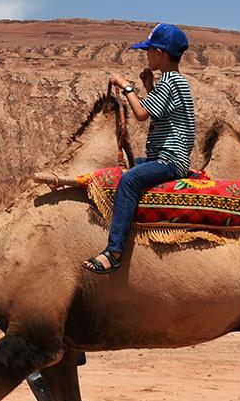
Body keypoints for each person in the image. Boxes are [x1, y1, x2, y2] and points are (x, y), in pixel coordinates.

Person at [82, 23, 196, 272]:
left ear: (159, 53)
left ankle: (113, 252)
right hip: (171, 157)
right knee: (133, 168)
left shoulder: (170, 82)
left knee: (129, 182)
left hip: (168, 160)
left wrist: (127, 88)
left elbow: (142, 113)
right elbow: (165, 115)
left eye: (149, 51)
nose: (146, 55)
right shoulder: (176, 82)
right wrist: (149, 89)